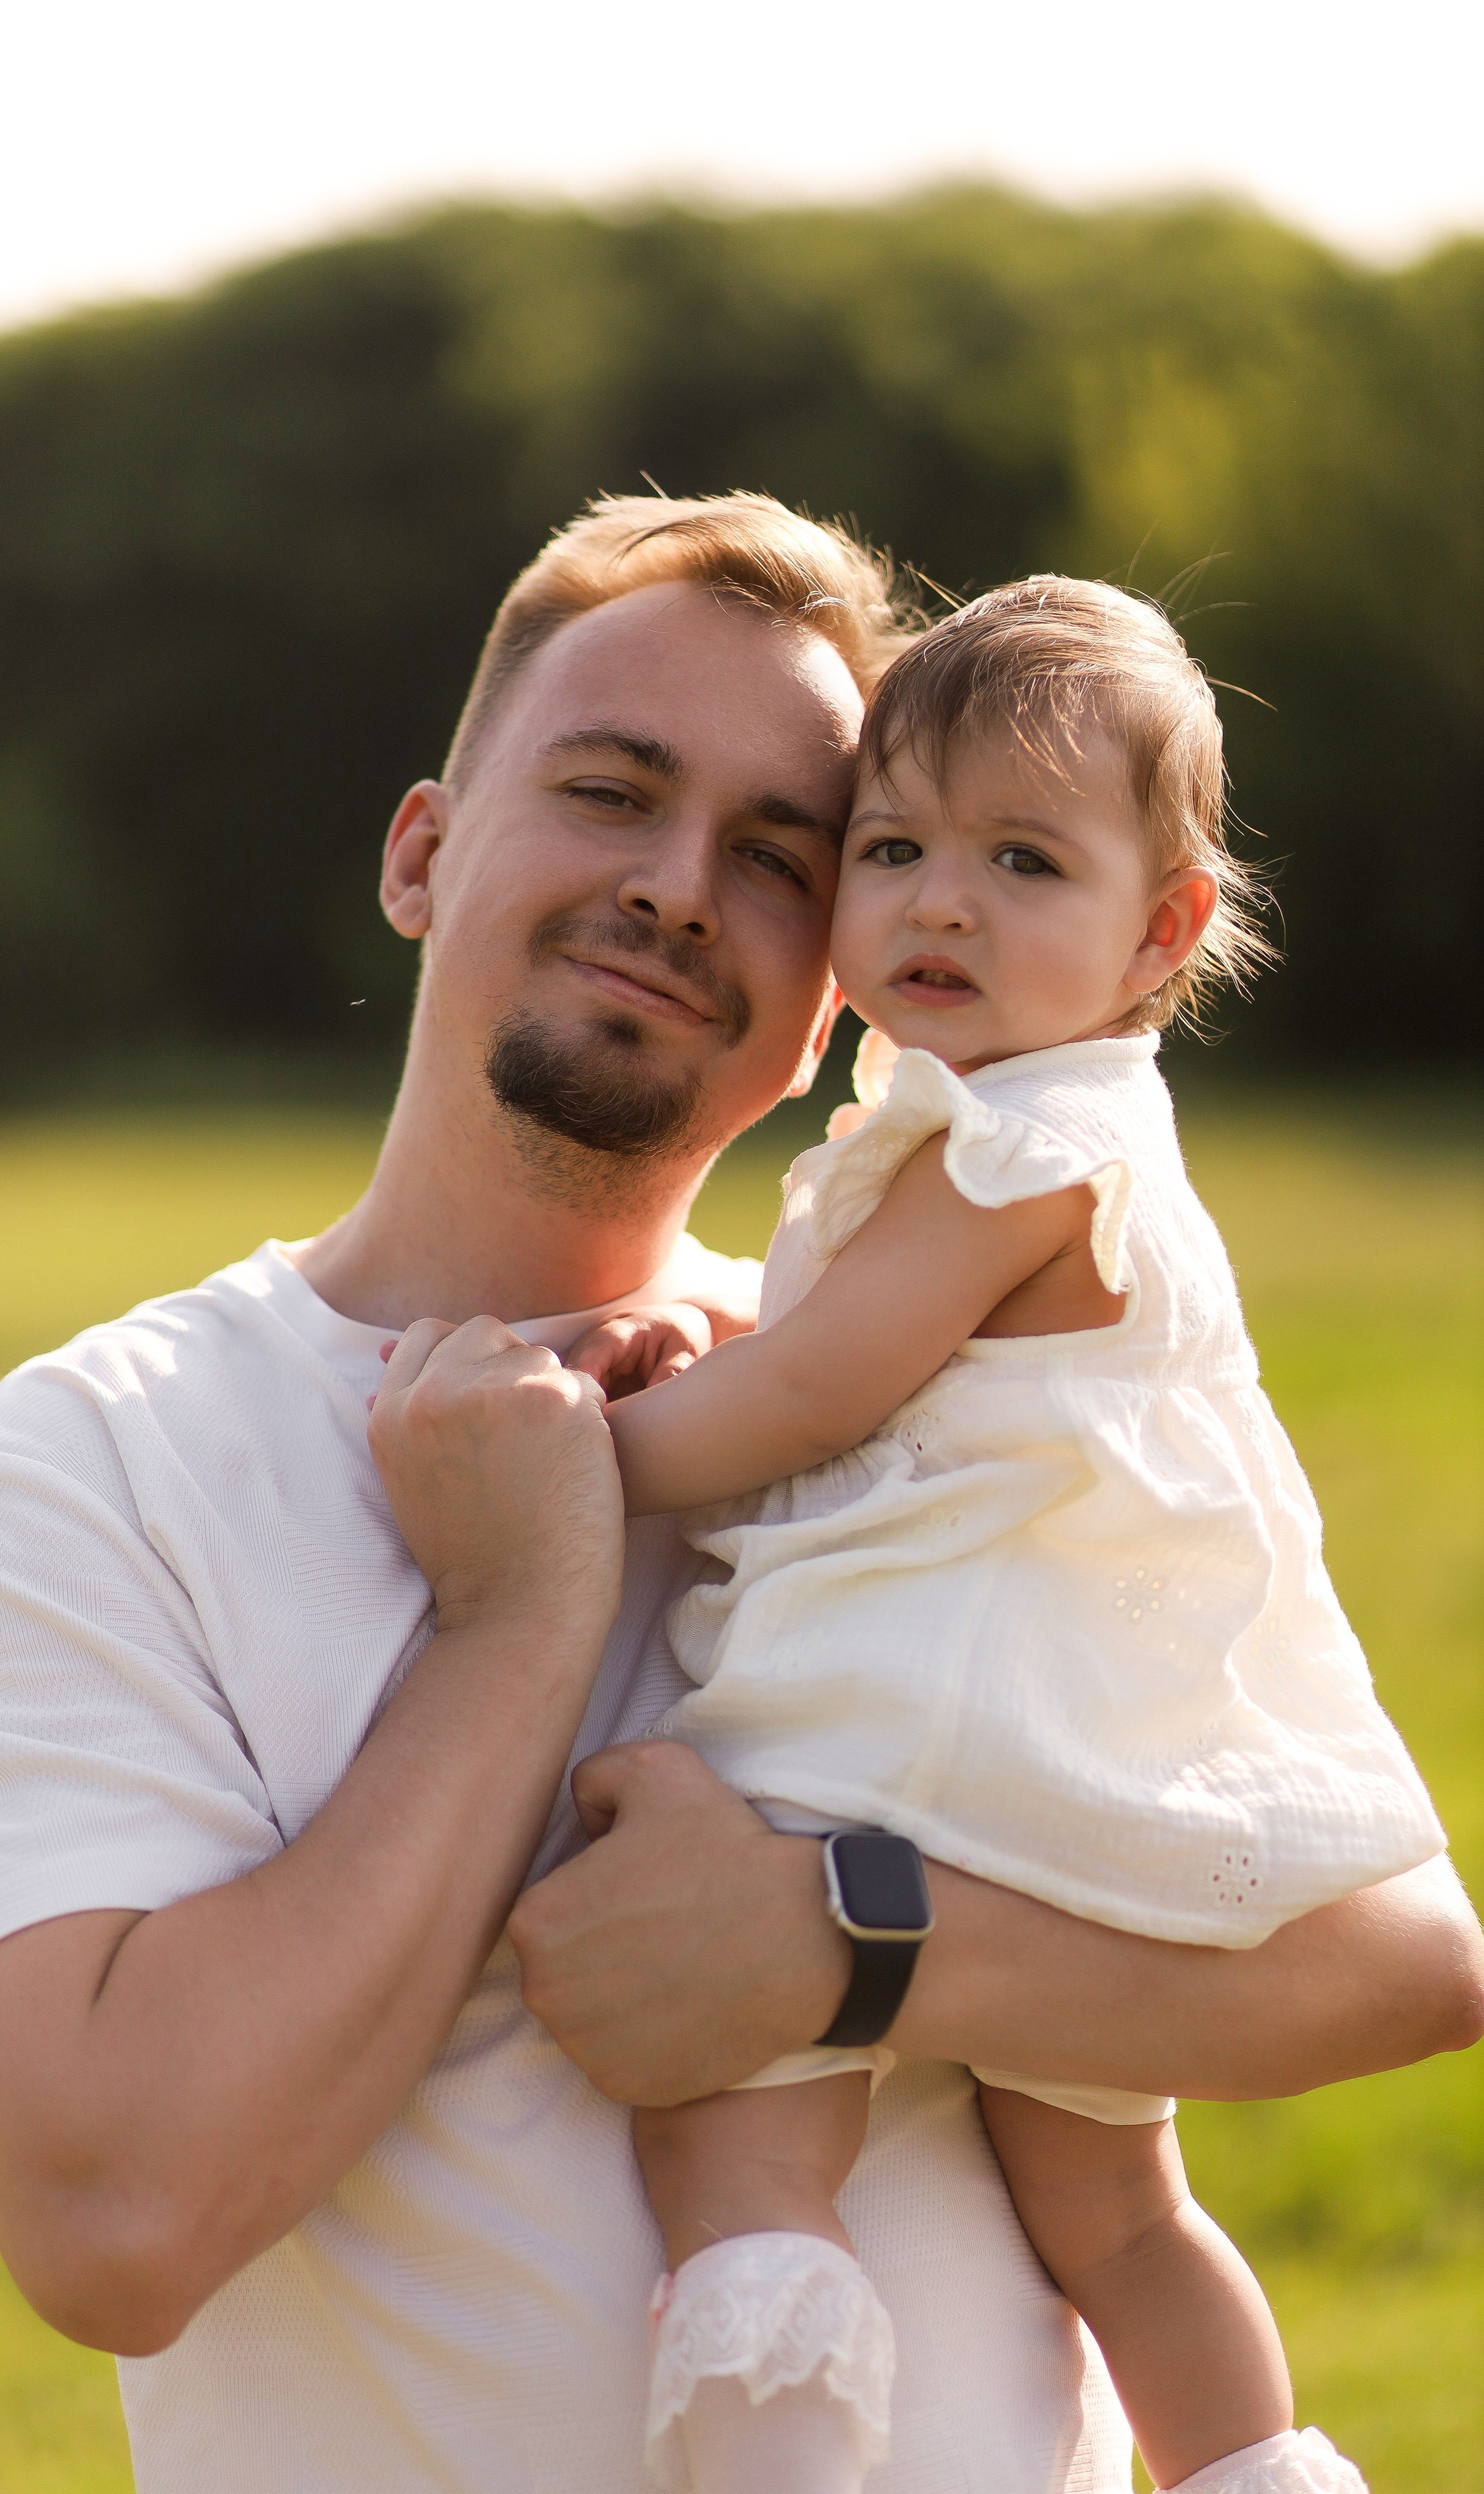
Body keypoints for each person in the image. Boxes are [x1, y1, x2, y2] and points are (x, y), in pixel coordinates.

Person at [0, 498, 1483, 2494]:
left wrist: (845, 1949)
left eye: (780, 855)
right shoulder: (108, 1455)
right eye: (611, 793)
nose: (676, 887)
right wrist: (518, 1613)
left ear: (837, 994)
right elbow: (112, 2224)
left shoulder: (960, 1398)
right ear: (422, 851)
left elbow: (1405, 1961)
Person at [538, 577, 1442, 2494]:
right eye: (893, 850)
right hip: (1076, 1751)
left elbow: (816, 1397)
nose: (940, 904)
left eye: (1022, 861)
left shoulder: (1015, 1146)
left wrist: (582, 1451)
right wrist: (726, 1353)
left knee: (738, 2125)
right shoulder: (1052, 1125)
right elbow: (872, 1374)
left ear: (1163, 929)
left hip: (928, 1713)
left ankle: (776, 2457)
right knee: (1118, 2210)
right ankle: (1252, 2469)